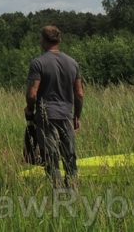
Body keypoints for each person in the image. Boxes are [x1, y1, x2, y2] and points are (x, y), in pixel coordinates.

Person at [25, 25, 84, 189]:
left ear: (43, 40)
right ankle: (73, 192)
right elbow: (79, 93)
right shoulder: (73, 63)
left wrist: (30, 109)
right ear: (59, 40)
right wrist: (76, 116)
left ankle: (57, 194)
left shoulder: (38, 63)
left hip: (46, 117)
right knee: (70, 157)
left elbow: (32, 94)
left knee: (51, 157)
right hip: (66, 115)